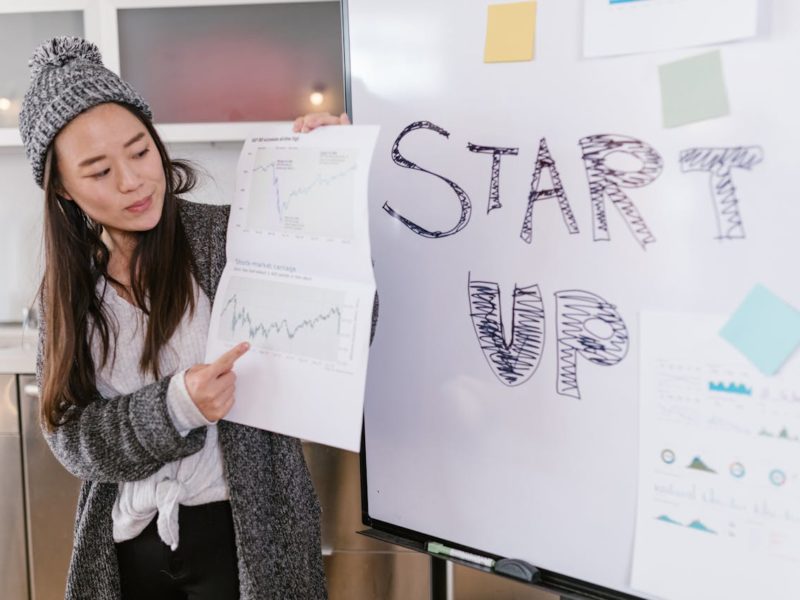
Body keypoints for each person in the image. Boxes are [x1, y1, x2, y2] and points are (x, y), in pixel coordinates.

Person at [21, 36, 350, 600]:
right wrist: (176, 406)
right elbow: (72, 440)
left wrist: (333, 191)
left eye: (140, 151)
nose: (132, 181)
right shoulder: (68, 292)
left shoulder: (230, 237)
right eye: (99, 172)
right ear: (65, 192)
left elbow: (348, 332)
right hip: (130, 547)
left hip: (246, 539)